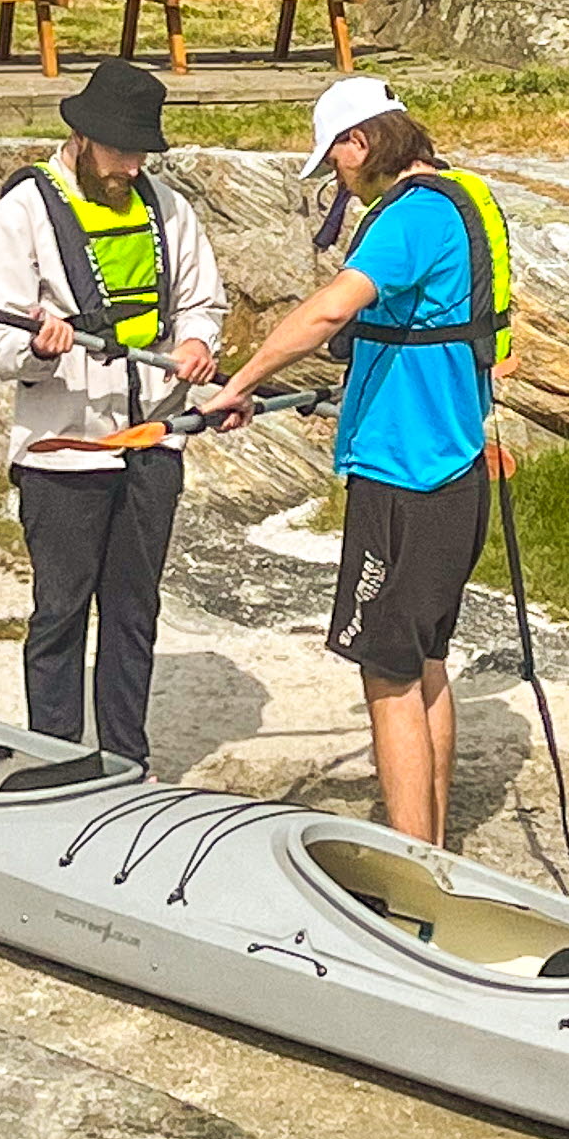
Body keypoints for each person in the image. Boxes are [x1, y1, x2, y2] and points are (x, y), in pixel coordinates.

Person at [197, 78, 509, 850]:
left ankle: (412, 870)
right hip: (456, 472)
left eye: (334, 157)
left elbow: (331, 309)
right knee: (424, 660)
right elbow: (408, 340)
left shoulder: (409, 219)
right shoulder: (462, 200)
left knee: (388, 673)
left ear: (360, 144)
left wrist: (239, 381)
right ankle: (435, 850)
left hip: (407, 479)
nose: (335, 174)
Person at [0, 59, 222, 767]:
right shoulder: (18, 216)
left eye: (141, 150)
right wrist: (39, 348)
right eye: (119, 149)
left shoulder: (166, 207)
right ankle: (53, 760)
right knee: (60, 614)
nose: (131, 164)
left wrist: (199, 341)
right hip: (65, 449)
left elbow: (203, 301)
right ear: (80, 136)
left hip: (153, 443)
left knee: (133, 614)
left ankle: (125, 761)